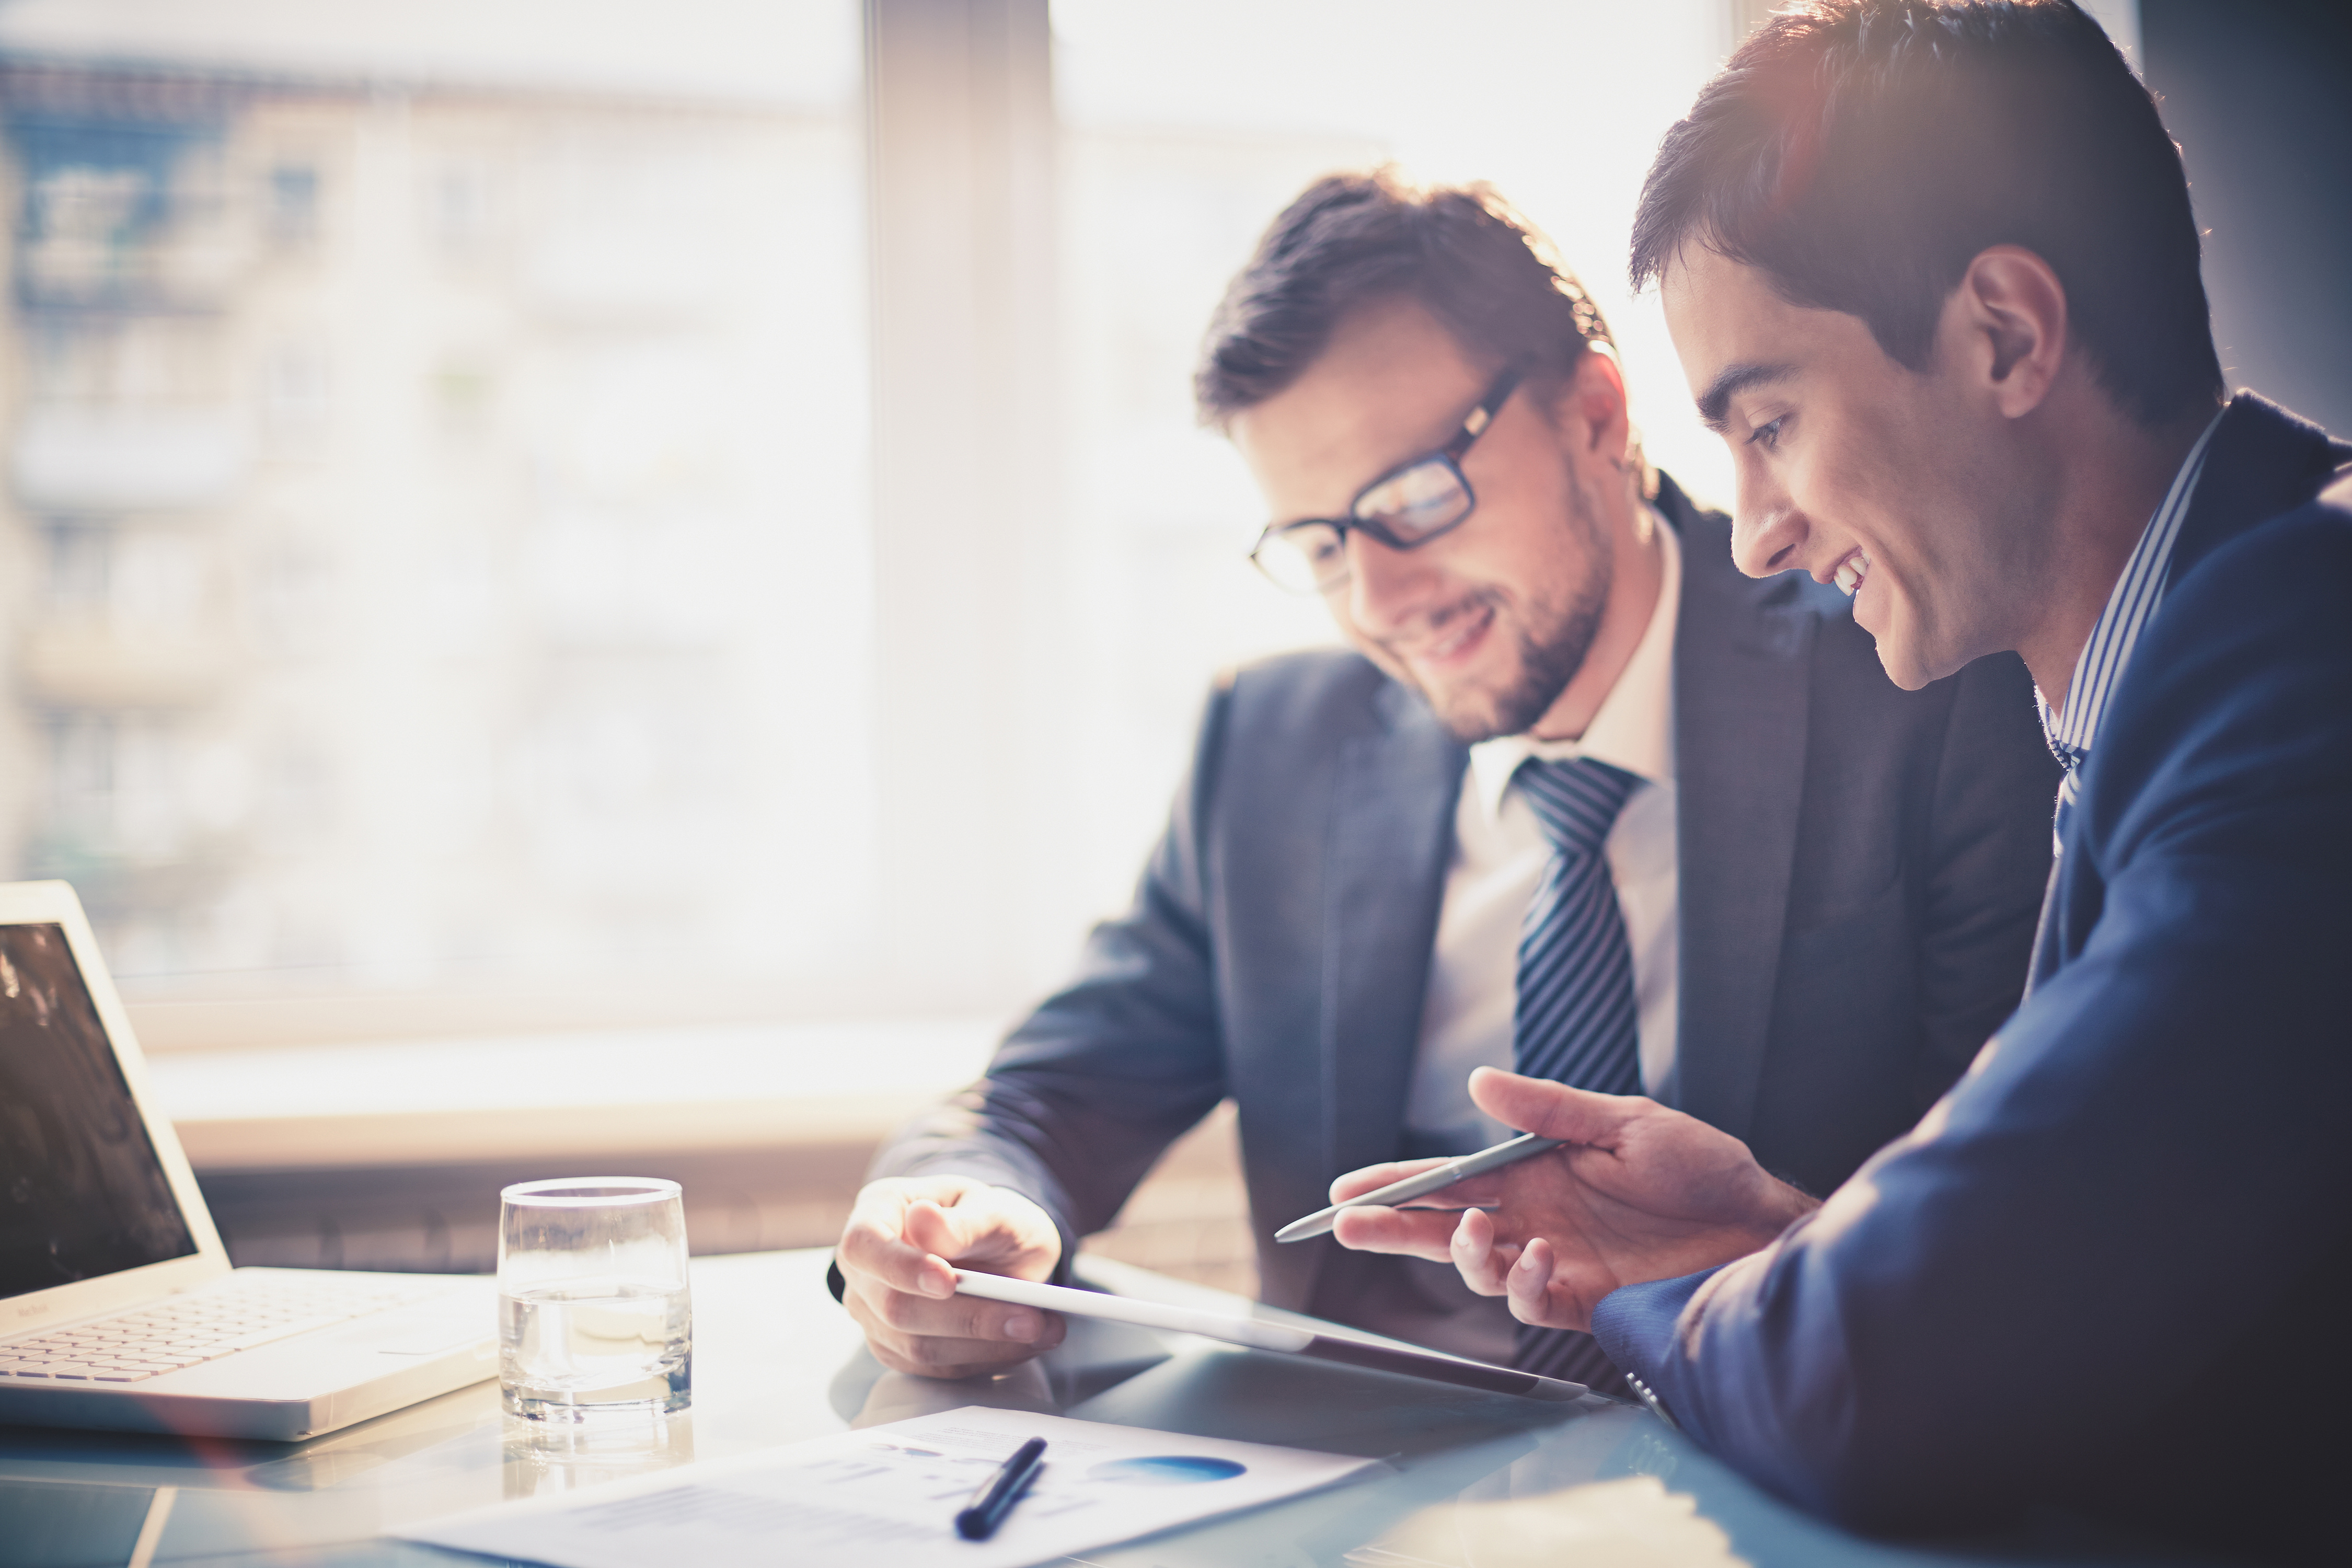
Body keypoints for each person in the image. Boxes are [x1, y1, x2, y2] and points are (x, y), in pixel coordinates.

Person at [1327, 2, 2350, 1557]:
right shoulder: (2173, 666)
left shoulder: (2294, 659)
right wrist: (1774, 1237)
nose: (1754, 534)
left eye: (1772, 423)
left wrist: (1691, 1292)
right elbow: (2103, 1307)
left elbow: (1885, 1379)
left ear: (2005, 334)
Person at [831, 170, 2058, 1396]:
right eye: (1319, 543)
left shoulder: (1915, 683)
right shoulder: (1271, 747)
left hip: (1759, 1452)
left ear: (1595, 415)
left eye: (1415, 497)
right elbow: (1049, 1093)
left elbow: (2006, 1234)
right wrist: (953, 1209)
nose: (1378, 600)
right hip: (1354, 1489)